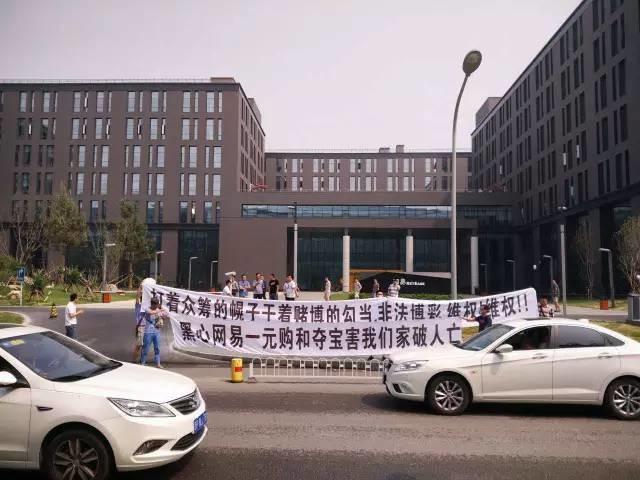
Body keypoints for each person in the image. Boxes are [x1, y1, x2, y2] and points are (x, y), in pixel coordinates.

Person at [139, 297, 168, 368]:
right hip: (148, 332)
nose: (157, 306)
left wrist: (163, 314)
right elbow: (151, 312)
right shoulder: (147, 309)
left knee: (157, 348)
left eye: (157, 304)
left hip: (157, 332)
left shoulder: (158, 309)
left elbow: (166, 315)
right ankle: (142, 363)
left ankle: (158, 363)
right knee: (145, 348)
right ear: (152, 304)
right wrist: (159, 310)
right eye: (156, 305)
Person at [133, 287, 144, 362]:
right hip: (140, 327)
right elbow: (137, 296)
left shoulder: (148, 308)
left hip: (147, 328)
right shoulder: (138, 306)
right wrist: (140, 288)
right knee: (139, 345)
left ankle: (142, 360)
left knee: (144, 345)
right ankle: (134, 360)